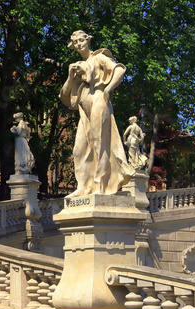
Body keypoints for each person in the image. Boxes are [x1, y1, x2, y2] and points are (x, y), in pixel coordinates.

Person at [59, 30, 134, 197]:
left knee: (99, 142)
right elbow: (65, 97)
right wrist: (71, 76)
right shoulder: (77, 66)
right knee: (80, 148)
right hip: (83, 109)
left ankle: (100, 185)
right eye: (75, 42)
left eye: (81, 40)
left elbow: (120, 70)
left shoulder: (99, 57)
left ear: (88, 40)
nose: (78, 44)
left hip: (99, 100)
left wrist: (107, 89)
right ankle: (84, 186)